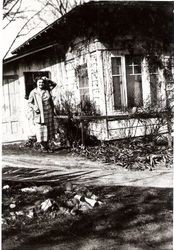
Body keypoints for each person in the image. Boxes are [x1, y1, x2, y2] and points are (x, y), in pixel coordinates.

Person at [28, 76, 55, 152]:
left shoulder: (47, 90)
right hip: (40, 114)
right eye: (39, 82)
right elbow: (29, 103)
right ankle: (43, 147)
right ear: (36, 83)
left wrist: (47, 79)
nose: (41, 84)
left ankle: (47, 146)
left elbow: (54, 84)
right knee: (41, 130)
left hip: (48, 113)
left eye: (42, 82)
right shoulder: (33, 92)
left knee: (48, 130)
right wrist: (34, 107)